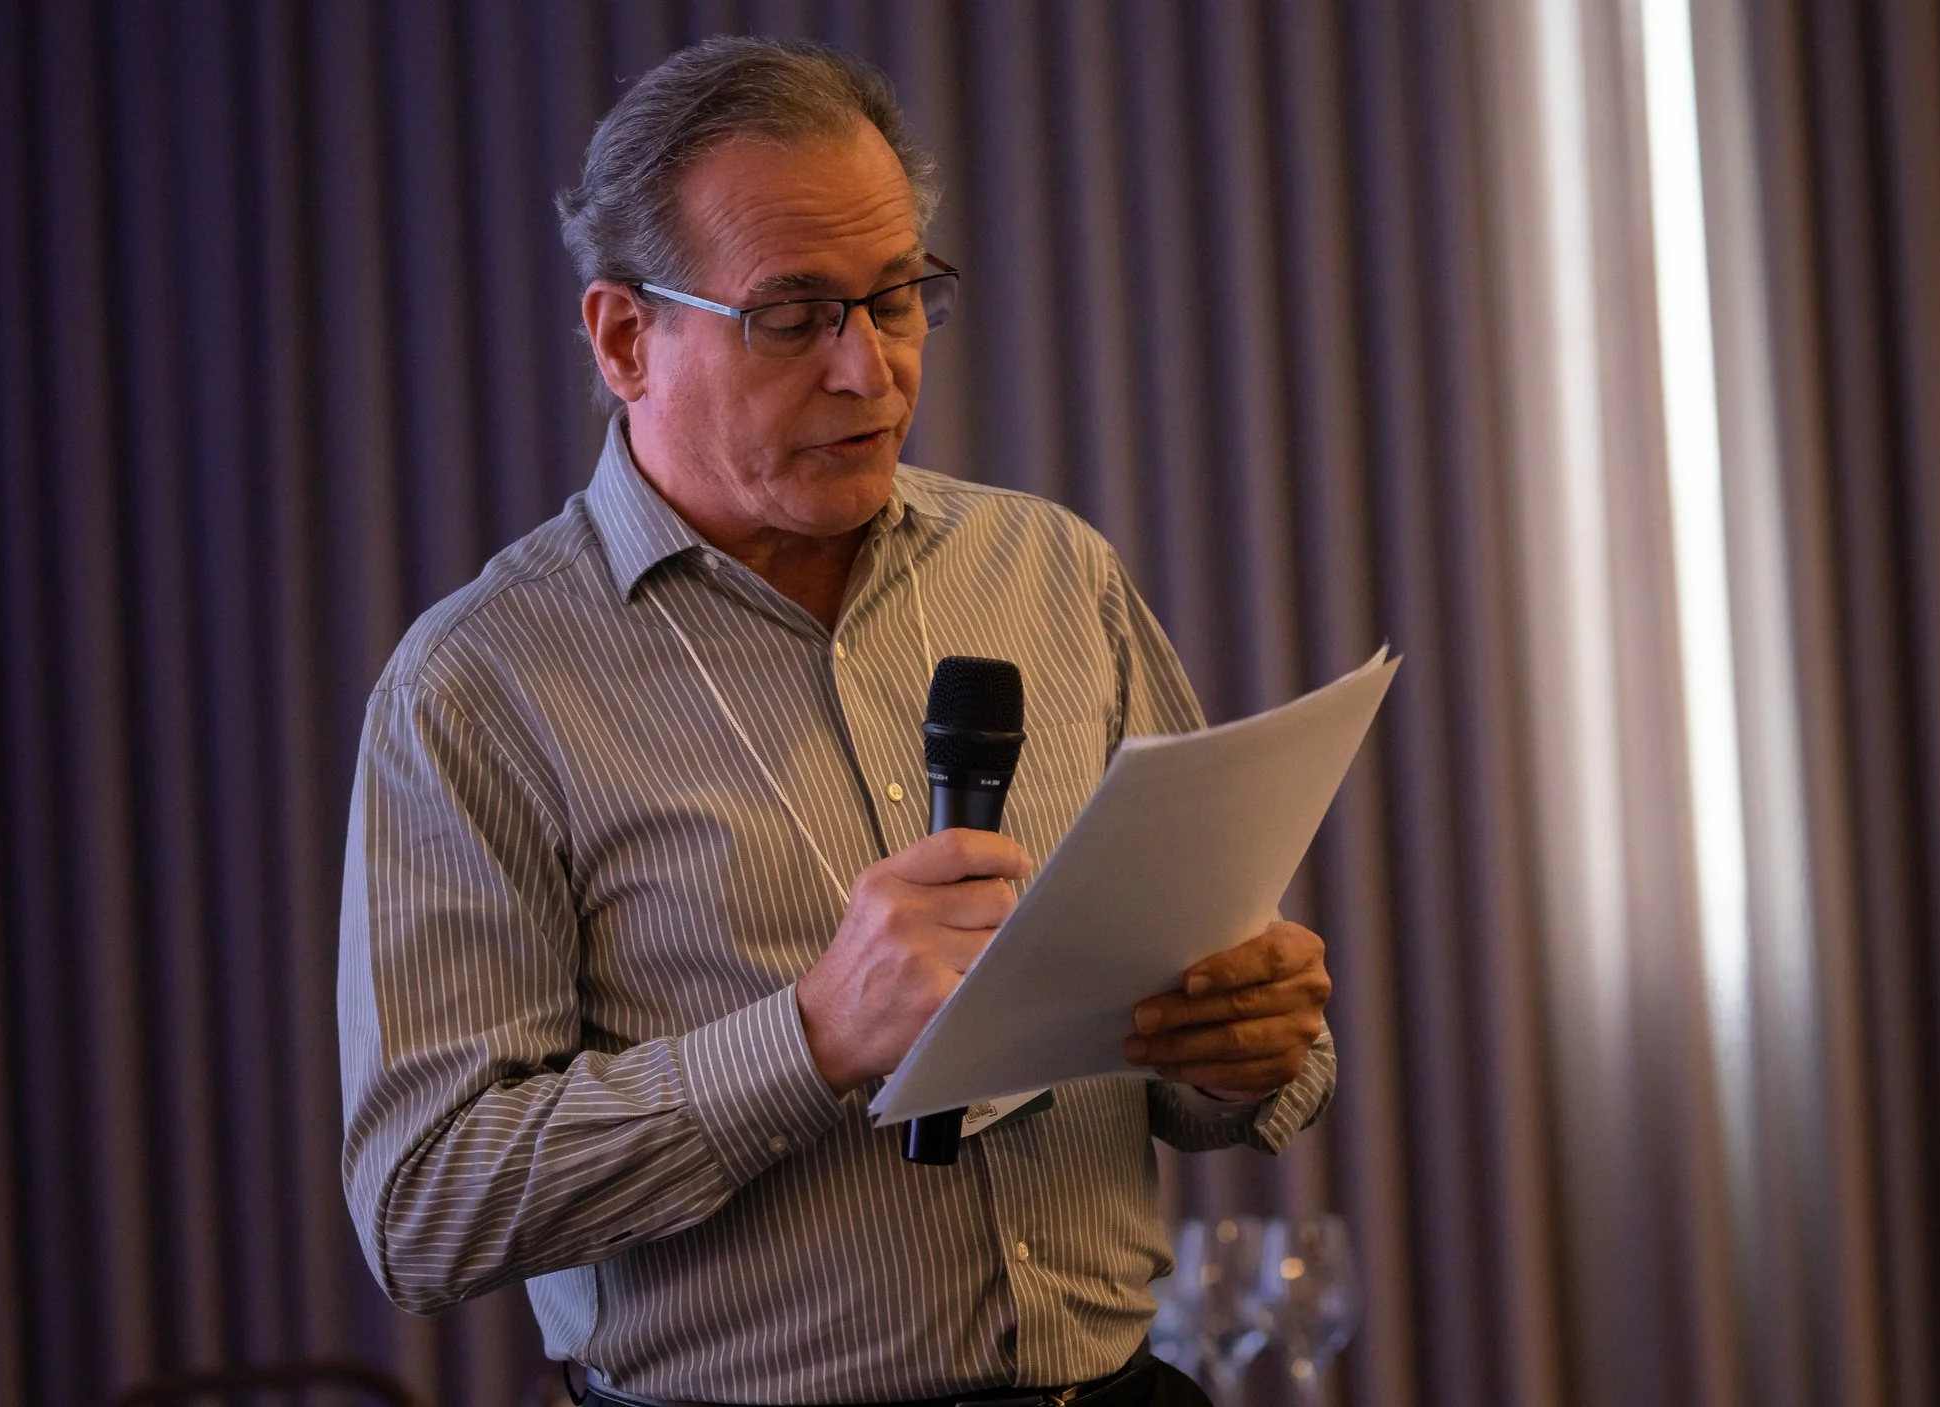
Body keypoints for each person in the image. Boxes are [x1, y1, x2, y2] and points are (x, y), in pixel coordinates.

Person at [338, 36, 1336, 1407]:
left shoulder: (1050, 571)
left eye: (899, 296)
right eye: (793, 315)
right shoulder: (478, 683)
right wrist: (808, 1039)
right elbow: (424, 1207)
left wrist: (1244, 1043)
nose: (869, 372)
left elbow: (1207, 1063)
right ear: (627, 336)